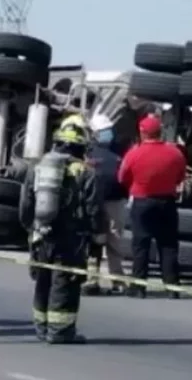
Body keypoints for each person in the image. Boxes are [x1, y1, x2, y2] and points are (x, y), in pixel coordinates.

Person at [20, 116, 104, 344]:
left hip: (42, 233)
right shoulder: (85, 171)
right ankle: (60, 331)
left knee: (43, 279)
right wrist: (98, 235)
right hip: (71, 237)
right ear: (81, 146)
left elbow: (26, 203)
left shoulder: (38, 168)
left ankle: (41, 326)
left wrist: (30, 227)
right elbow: (93, 207)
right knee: (65, 281)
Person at [118, 114, 186, 299]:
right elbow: (180, 176)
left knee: (141, 245)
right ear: (160, 132)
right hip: (167, 202)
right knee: (169, 245)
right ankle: (172, 287)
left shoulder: (134, 153)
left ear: (142, 132)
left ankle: (139, 287)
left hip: (142, 202)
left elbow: (122, 177)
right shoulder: (175, 153)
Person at [81, 114, 127, 296]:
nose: (108, 134)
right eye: (103, 131)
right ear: (94, 134)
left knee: (113, 243)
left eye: (109, 131)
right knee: (94, 243)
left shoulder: (118, 152)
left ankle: (117, 280)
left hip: (113, 203)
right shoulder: (87, 153)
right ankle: (92, 279)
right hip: (96, 204)